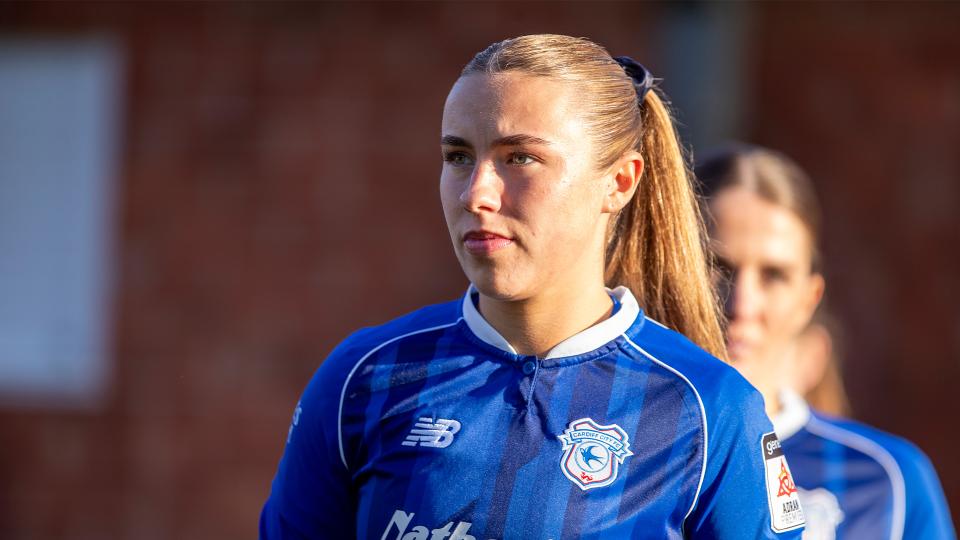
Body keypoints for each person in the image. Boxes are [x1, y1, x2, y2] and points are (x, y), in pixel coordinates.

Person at [260, 35, 805, 539]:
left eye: (520, 158)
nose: (478, 194)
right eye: (458, 156)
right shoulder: (365, 378)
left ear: (619, 182)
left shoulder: (710, 407)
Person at [698, 143, 955, 540]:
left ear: (809, 298)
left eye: (774, 275)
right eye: (718, 267)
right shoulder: (613, 454)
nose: (742, 303)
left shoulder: (888, 483)